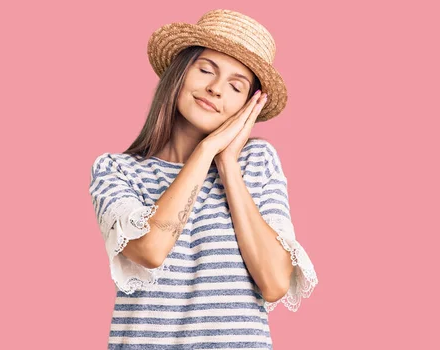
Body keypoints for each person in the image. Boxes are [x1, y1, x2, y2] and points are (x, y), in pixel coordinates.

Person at [89, 9, 318, 349]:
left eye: (236, 86)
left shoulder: (257, 162)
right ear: (179, 74)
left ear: (247, 105)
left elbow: (273, 283)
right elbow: (150, 249)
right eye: (206, 70)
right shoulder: (116, 169)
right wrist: (206, 150)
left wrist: (226, 163)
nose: (214, 89)